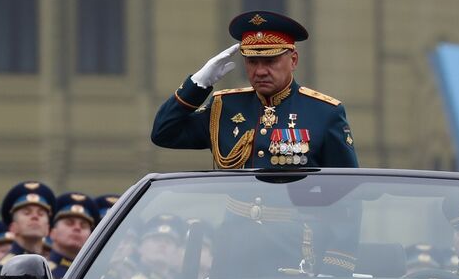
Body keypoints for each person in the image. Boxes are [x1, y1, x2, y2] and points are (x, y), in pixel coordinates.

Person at [151, 11, 358, 169]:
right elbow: (163, 133)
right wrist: (197, 84)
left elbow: (346, 190)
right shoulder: (225, 107)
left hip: (295, 225)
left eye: (270, 61)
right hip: (237, 225)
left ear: (293, 60)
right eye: (252, 62)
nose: (260, 71)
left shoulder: (324, 113)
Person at [0, 182, 55, 267]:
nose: (35, 217)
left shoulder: (53, 272)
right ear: (13, 227)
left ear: (47, 228)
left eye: (41, 214)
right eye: (27, 213)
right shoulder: (1, 270)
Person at [46, 192, 97, 279]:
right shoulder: (41, 272)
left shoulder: (95, 277)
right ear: (53, 233)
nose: (77, 228)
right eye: (69, 223)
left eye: (83, 225)